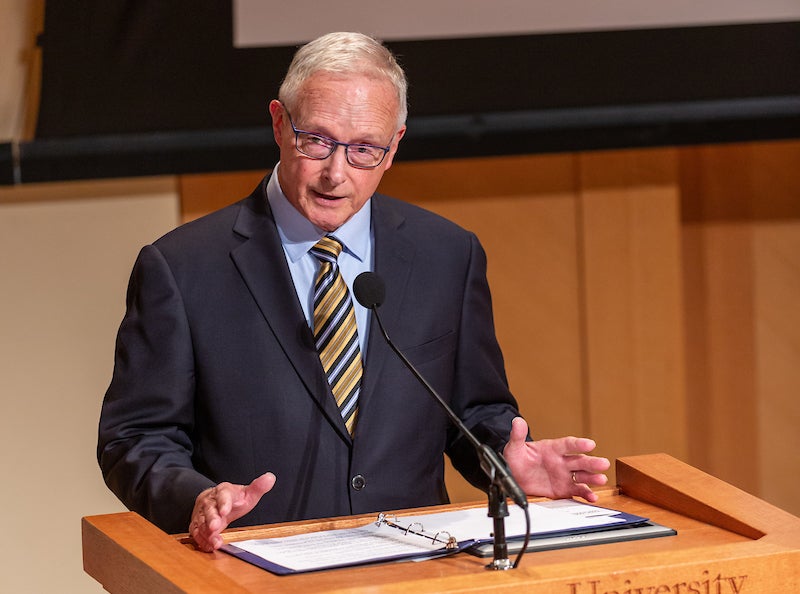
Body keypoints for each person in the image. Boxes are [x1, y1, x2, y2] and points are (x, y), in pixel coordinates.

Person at [98, 31, 610, 553]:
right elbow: (134, 439)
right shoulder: (183, 267)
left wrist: (506, 462)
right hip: (257, 571)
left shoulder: (447, 255)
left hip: (416, 568)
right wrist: (196, 498)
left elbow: (472, 412)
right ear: (279, 123)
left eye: (365, 149)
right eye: (316, 140)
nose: (335, 173)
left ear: (394, 148)